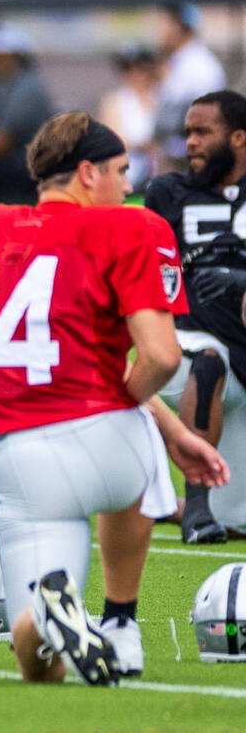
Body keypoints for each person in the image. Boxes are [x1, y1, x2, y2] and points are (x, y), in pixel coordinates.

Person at [0, 111, 227, 685]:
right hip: (106, 450)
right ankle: (122, 623)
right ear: (87, 173)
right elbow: (161, 357)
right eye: (121, 170)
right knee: (131, 465)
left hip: (14, 453)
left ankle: (48, 621)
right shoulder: (130, 228)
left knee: (37, 660)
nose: (130, 186)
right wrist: (141, 410)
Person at [146, 90, 246, 541]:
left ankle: (160, 504)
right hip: (188, 344)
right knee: (210, 360)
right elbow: (151, 276)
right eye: (187, 132)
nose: (190, 142)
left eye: (203, 132)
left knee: (239, 521)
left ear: (239, 138)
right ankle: (196, 509)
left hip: (241, 351)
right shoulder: (168, 193)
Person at [0, 23, 56, 209]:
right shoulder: (6, 85)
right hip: (11, 165)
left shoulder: (26, 90)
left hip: (20, 170)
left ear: (9, 56)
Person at [155, 4, 226, 173]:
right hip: (178, 155)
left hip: (191, 159)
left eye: (163, 24)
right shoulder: (179, 62)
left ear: (177, 27)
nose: (159, 32)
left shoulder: (200, 65)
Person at [97, 43, 161, 192]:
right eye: (127, 69)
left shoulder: (162, 97)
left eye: (140, 68)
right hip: (130, 176)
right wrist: (141, 145)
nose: (134, 74)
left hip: (158, 173)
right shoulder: (116, 101)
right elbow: (109, 142)